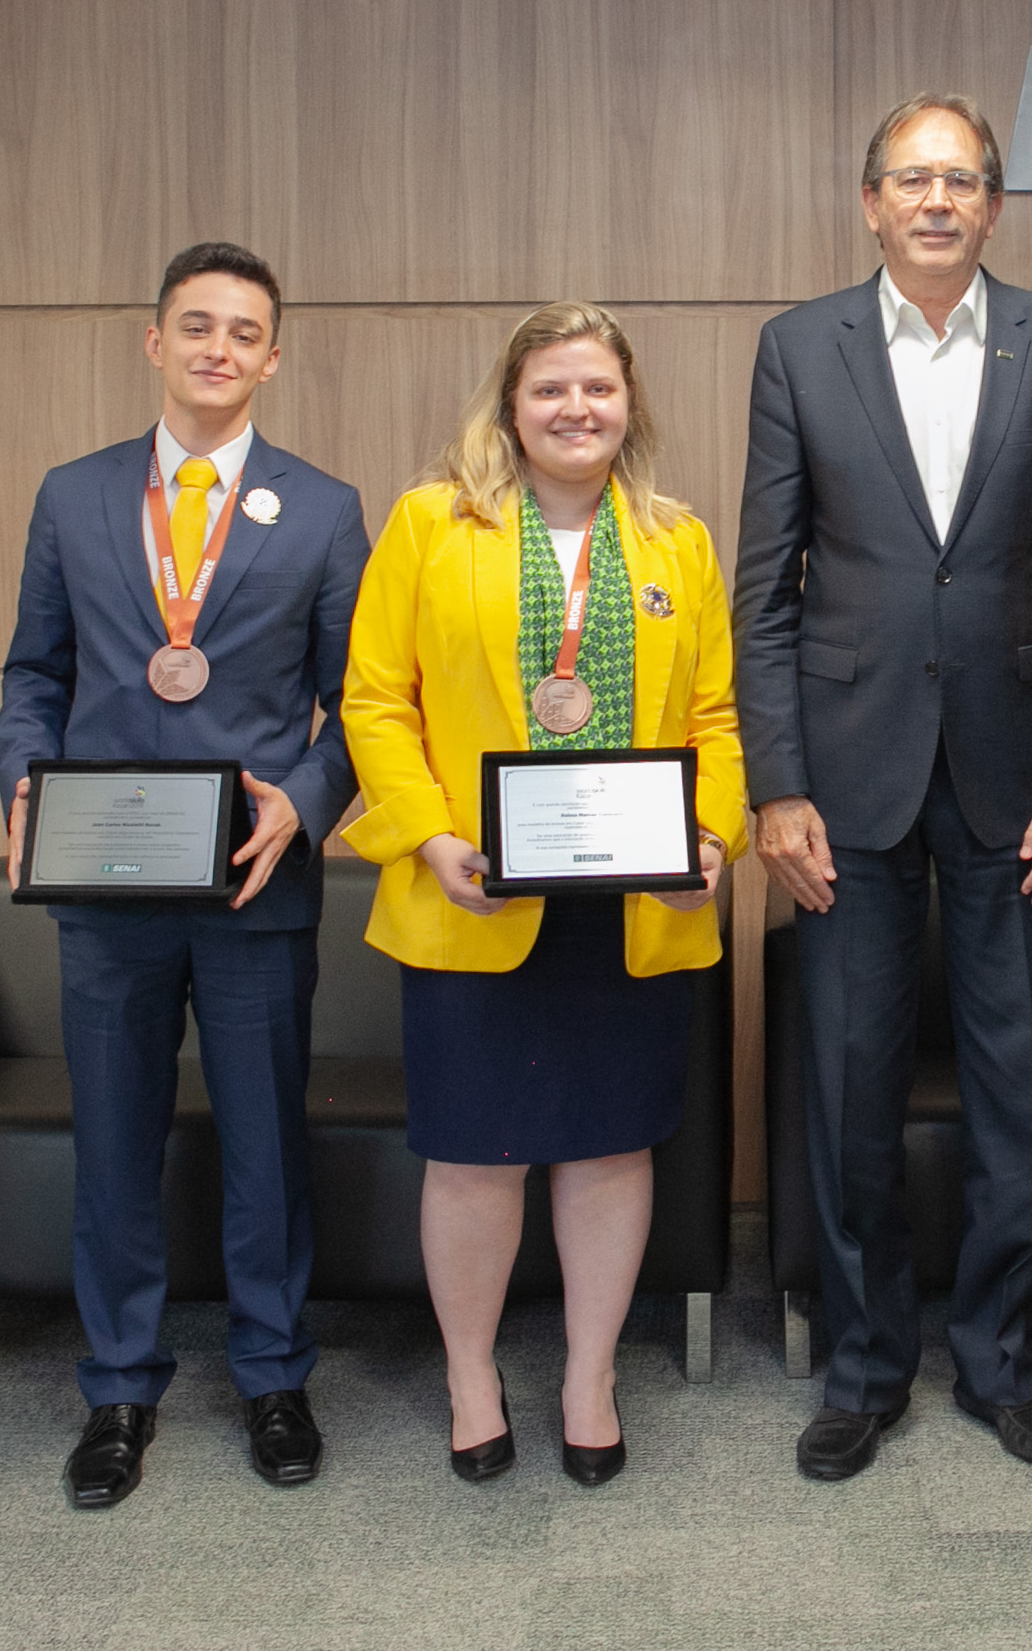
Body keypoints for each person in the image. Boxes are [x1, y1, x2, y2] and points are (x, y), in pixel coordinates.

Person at [736, 92, 1032, 1481]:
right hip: (846, 782)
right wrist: (777, 784)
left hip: (1022, 782)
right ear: (872, 203)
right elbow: (764, 589)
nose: (938, 200)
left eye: (962, 179)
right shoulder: (800, 348)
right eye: (913, 178)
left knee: (1016, 1088)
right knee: (849, 1086)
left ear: (995, 206)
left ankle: (1005, 1364)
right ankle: (862, 1367)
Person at [343, 302, 745, 1489]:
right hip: (475, 894)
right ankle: (472, 1378)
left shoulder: (677, 541)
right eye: (551, 389)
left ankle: (589, 1376)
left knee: (611, 1148)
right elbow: (376, 698)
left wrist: (713, 832)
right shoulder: (433, 523)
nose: (578, 408)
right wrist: (427, 837)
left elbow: (716, 718)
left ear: (630, 404)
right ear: (511, 407)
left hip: (631, 903)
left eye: (598, 388)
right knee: (475, 1153)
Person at [0, 241, 367, 1509]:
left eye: (244, 331)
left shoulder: (324, 508)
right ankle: (118, 1384)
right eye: (196, 325)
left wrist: (303, 804)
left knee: (267, 1138)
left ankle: (272, 1371)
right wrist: (22, 781)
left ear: (274, 356)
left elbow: (358, 703)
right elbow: (34, 671)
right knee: (115, 1139)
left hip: (254, 882)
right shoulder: (74, 494)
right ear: (155, 342)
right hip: (104, 877)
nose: (219, 348)